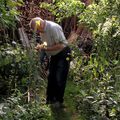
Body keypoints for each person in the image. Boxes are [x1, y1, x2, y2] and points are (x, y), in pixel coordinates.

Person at [29, 17, 71, 107]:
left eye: (37, 30)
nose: (37, 32)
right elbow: (47, 43)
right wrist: (41, 46)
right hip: (55, 55)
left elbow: (62, 45)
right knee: (51, 77)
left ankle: (58, 101)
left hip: (63, 54)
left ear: (39, 24)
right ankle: (50, 99)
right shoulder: (42, 30)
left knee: (59, 77)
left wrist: (46, 48)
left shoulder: (53, 28)